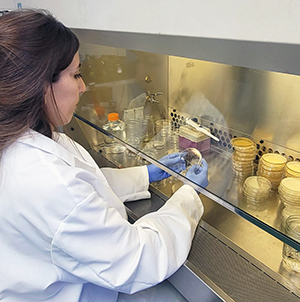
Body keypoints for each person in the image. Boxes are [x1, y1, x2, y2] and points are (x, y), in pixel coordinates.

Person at [0, 9, 209, 302]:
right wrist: (189, 195)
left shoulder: (24, 138)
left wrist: (144, 174)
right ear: (39, 83)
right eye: (75, 75)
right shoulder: (44, 179)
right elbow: (138, 259)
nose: (83, 86)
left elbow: (84, 187)